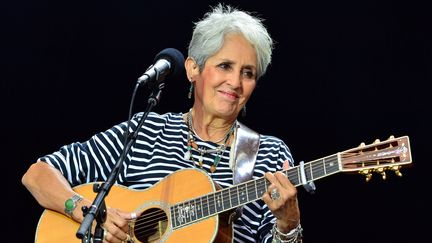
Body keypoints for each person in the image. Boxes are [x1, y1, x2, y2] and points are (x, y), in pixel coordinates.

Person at [22, 3, 302, 243]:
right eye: (225, 66)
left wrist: (288, 226)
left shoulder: (268, 153)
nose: (235, 82)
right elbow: (37, 174)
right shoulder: (145, 132)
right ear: (194, 68)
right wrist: (88, 212)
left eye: (248, 73)